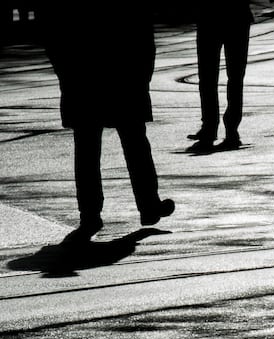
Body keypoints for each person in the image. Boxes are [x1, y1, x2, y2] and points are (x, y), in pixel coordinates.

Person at [40, 1, 174, 244]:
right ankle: (148, 205)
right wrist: (143, 75)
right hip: (122, 76)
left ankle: (90, 213)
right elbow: (143, 33)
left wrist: (65, 73)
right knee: (134, 142)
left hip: (83, 79)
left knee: (88, 148)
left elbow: (53, 32)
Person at [187, 0, 254, 152]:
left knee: (208, 77)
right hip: (236, 17)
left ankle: (211, 127)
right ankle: (229, 129)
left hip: (210, 17)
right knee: (234, 77)